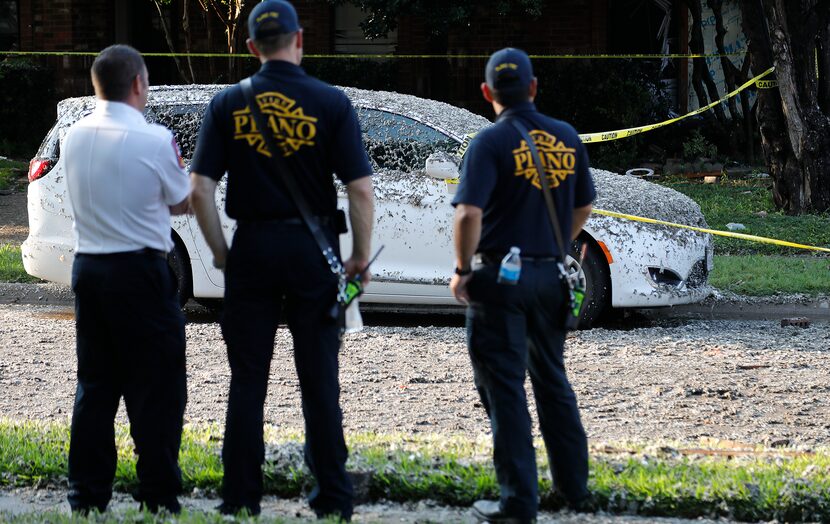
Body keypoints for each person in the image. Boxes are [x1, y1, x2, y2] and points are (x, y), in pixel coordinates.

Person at [189, 0, 374, 519]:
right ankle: (333, 499)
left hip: (252, 248)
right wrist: (358, 256)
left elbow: (200, 188)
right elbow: (360, 190)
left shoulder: (228, 104)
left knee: (247, 379)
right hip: (314, 250)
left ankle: (240, 499)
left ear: (251, 48)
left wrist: (223, 253)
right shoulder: (332, 102)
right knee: (319, 380)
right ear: (300, 40)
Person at [450, 47, 595, 523]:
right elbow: (583, 209)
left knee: (505, 389)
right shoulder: (567, 137)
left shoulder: (488, 143)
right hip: (552, 275)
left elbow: (469, 212)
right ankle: (574, 490)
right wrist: (551, 245)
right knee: (552, 380)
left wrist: (462, 268)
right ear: (533, 88)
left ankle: (517, 503)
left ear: (488, 93)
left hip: (499, 280)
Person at [63, 44, 190, 514]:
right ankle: (157, 492)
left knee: (95, 384)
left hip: (89, 270)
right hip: (140, 271)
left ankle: (86, 493)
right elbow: (181, 202)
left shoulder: (74, 136)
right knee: (156, 385)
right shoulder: (155, 139)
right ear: (138, 84)